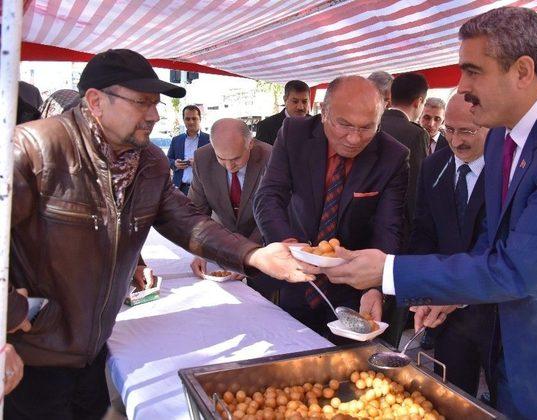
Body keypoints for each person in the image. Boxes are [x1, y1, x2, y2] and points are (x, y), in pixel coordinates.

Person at [312, 7, 537, 419]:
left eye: (472, 71)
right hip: (515, 360)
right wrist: (450, 296)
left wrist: (387, 272)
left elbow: (515, 269)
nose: (462, 88)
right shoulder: (504, 134)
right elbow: (496, 240)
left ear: (523, 71)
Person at [7, 48, 312, 419]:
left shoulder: (148, 161)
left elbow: (187, 220)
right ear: (95, 101)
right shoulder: (32, 148)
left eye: (155, 104)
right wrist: (11, 315)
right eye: (142, 103)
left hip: (94, 346)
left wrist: (255, 255)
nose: (154, 115)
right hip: (31, 352)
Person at [254, 75, 408, 340]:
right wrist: (287, 246)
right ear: (324, 112)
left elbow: (389, 228)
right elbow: (268, 196)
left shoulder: (393, 156)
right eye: (344, 124)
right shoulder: (294, 134)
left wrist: (374, 286)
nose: (354, 138)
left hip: (353, 288)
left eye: (367, 127)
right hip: (295, 274)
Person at [408, 93, 497, 402]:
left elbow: (497, 242)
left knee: (504, 398)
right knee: (453, 396)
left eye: (467, 131)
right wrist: (424, 289)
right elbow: (423, 232)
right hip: (449, 319)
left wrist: (452, 291)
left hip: (498, 313)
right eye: (450, 129)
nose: (456, 141)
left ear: (489, 126)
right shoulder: (433, 167)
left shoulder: (508, 169)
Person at [189, 118, 279, 300]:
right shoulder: (202, 158)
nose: (230, 166)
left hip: (263, 245)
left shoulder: (272, 157)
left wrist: (248, 254)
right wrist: (199, 249)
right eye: (221, 158)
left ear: (250, 143)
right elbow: (196, 211)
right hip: (222, 247)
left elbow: (276, 213)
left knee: (264, 307)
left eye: (237, 158)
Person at [380, 72, 429, 241]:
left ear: (391, 96)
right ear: (419, 101)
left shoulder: (373, 124)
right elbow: (416, 185)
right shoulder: (416, 134)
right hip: (397, 223)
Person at [167, 105, 209, 194]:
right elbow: (168, 160)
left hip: (202, 190)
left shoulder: (210, 140)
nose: (191, 122)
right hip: (180, 188)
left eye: (194, 118)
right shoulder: (176, 140)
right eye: (187, 119)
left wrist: (198, 164)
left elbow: (217, 163)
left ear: (200, 119)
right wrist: (174, 164)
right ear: (183, 120)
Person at [255, 80, 310, 145]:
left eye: (304, 102)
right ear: (285, 99)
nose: (300, 107)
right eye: (295, 101)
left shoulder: (317, 125)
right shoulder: (266, 127)